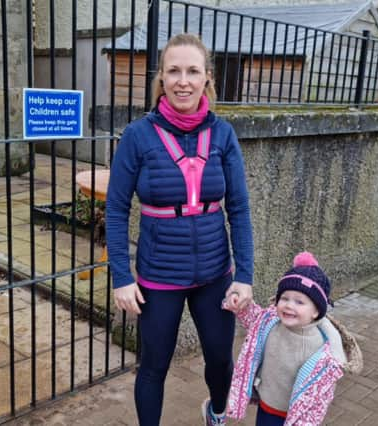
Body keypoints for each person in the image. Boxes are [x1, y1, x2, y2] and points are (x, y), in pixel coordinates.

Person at [105, 33, 254, 426]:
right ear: (162, 78)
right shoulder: (138, 136)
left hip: (215, 275)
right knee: (153, 366)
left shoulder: (223, 135)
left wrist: (245, 276)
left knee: (221, 359)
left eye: (192, 71)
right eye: (174, 71)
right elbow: (117, 209)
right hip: (159, 276)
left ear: (207, 77)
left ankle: (216, 412)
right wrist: (122, 275)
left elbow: (238, 208)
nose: (182, 81)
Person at [222, 252, 362, 426]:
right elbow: (254, 318)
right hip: (266, 404)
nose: (289, 305)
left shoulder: (321, 350)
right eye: (285, 298)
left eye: (299, 302)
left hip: (292, 416)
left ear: (316, 311)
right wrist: (240, 306)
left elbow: (319, 394)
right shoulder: (271, 322)